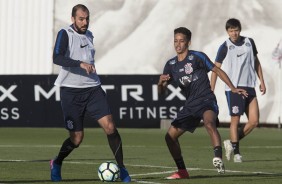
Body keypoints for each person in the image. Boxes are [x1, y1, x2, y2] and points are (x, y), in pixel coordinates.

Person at [50, 4, 131, 182]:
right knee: (77, 139)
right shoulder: (65, 33)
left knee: (110, 127)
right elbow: (57, 57)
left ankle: (123, 169)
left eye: (87, 18)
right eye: (81, 19)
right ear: (73, 19)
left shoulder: (89, 35)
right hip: (70, 92)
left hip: (93, 89)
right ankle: (57, 162)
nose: (85, 22)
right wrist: (81, 63)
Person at [158, 27, 248, 179]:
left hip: (206, 100)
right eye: (175, 41)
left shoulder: (197, 57)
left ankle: (218, 157)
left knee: (209, 122)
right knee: (170, 137)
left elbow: (217, 70)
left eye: (181, 41)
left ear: (188, 42)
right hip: (190, 106)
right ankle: (182, 171)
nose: (178, 44)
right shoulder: (171, 64)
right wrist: (160, 83)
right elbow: (161, 93)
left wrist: (232, 88)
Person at [210, 18, 266, 163]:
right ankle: (237, 153)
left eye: (236, 30)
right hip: (233, 88)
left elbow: (256, 62)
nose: (234, 33)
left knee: (254, 121)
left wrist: (262, 81)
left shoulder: (249, 42)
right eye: (231, 31)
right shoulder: (225, 46)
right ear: (227, 32)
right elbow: (215, 69)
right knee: (235, 120)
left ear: (240, 30)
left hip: (250, 86)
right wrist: (212, 88)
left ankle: (231, 142)